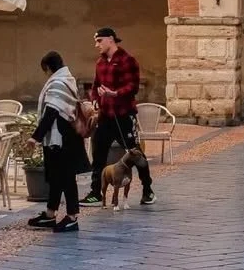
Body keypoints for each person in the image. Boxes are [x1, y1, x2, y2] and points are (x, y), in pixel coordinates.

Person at [81, 27, 154, 207]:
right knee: (98, 155)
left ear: (110, 40)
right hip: (105, 117)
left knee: (135, 154)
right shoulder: (100, 63)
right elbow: (96, 86)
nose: (96, 44)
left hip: (123, 116)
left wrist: (115, 94)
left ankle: (148, 190)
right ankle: (95, 192)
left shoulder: (127, 60)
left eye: (99, 41)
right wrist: (96, 100)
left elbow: (133, 87)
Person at [28, 51, 88, 233]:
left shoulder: (58, 83)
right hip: (61, 138)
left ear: (48, 68)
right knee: (56, 177)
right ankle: (50, 214)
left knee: (66, 178)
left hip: (61, 138)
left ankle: (72, 217)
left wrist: (35, 137)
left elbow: (51, 113)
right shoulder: (67, 79)